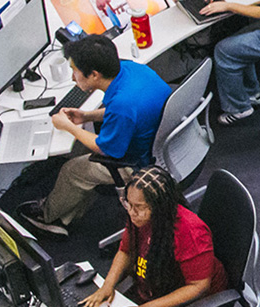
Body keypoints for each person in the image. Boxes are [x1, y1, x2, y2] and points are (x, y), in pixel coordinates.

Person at [17, 36, 170, 237]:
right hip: (157, 141)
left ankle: (49, 218)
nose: (73, 77)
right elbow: (130, 111)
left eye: (75, 71)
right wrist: (87, 116)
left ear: (95, 75)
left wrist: (69, 127)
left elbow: (106, 148)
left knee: (72, 170)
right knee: (82, 148)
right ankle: (68, 212)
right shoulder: (132, 70)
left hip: (136, 162)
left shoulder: (123, 106)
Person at [79, 166, 228, 307]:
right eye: (128, 203)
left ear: (160, 207)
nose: (131, 212)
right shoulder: (138, 216)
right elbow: (125, 251)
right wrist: (107, 286)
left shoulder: (191, 233)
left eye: (140, 207)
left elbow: (198, 287)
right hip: (154, 287)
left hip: (190, 304)